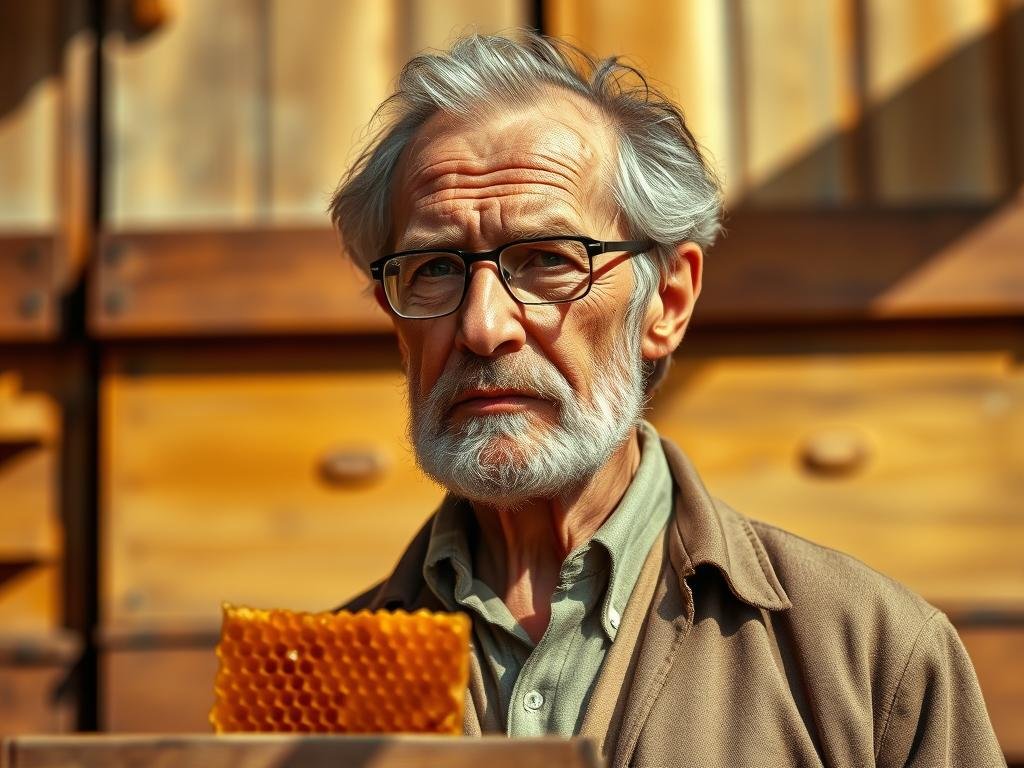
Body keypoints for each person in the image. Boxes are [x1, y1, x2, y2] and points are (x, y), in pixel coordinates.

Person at [329, 31, 1004, 767]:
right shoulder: (310, 694)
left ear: (667, 302)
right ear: (392, 317)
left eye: (549, 261)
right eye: (432, 268)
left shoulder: (871, 659)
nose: (482, 325)